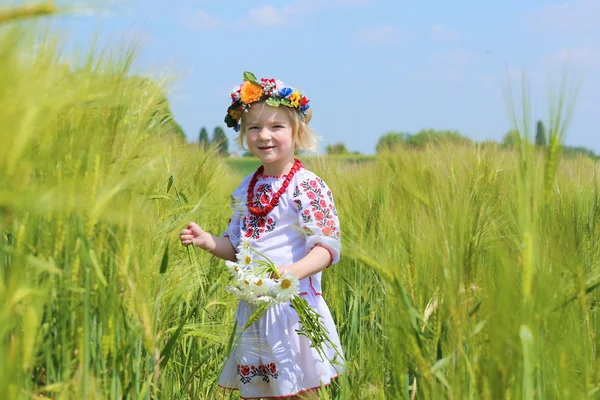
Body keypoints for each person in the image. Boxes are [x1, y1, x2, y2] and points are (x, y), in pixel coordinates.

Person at [180, 72, 344, 399]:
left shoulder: (306, 186)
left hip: (293, 310)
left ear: (297, 133)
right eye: (253, 128)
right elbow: (237, 247)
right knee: (259, 392)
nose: (264, 135)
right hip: (254, 312)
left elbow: (326, 247)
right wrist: (207, 241)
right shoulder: (245, 189)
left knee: (297, 391)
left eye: (276, 127)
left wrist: (290, 274)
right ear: (243, 135)